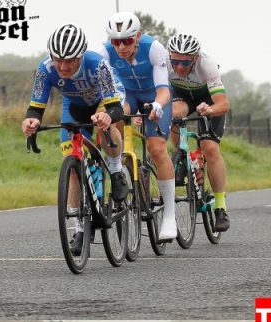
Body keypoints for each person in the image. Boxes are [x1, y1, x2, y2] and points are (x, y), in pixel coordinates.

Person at [22, 24, 128, 256]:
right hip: (74, 105)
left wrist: (106, 116)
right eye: (58, 59)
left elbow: (116, 110)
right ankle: (78, 229)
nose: (62, 65)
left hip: (104, 100)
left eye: (69, 60)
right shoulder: (45, 69)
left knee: (105, 127)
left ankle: (116, 168)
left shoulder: (97, 64)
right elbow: (35, 107)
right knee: (72, 166)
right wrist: (31, 121)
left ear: (80, 56)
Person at [101, 12, 178, 241]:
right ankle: (116, 166)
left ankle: (169, 216)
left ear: (138, 36)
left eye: (127, 40)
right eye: (116, 41)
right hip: (127, 96)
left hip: (154, 95)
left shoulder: (153, 48)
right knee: (112, 119)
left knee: (156, 148)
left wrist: (157, 103)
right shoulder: (104, 52)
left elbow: (164, 89)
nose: (121, 47)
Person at [165, 33, 233, 232]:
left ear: (195, 58)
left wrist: (210, 110)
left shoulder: (207, 65)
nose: (179, 67)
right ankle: (180, 155)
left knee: (209, 148)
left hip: (208, 99)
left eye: (185, 63)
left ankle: (220, 207)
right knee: (174, 114)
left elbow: (223, 103)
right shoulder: (164, 64)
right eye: (175, 61)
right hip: (182, 96)